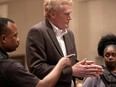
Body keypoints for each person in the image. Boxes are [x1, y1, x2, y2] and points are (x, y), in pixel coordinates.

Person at [26, 0, 103, 87]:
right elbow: (37, 69)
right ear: (53, 14)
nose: (70, 18)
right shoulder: (37, 32)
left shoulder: (69, 34)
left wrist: (84, 68)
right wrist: (72, 71)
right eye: (66, 14)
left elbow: (70, 63)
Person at [0, 17, 73, 87]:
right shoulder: (9, 67)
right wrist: (61, 65)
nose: (18, 39)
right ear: (3, 38)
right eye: (15, 36)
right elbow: (43, 86)